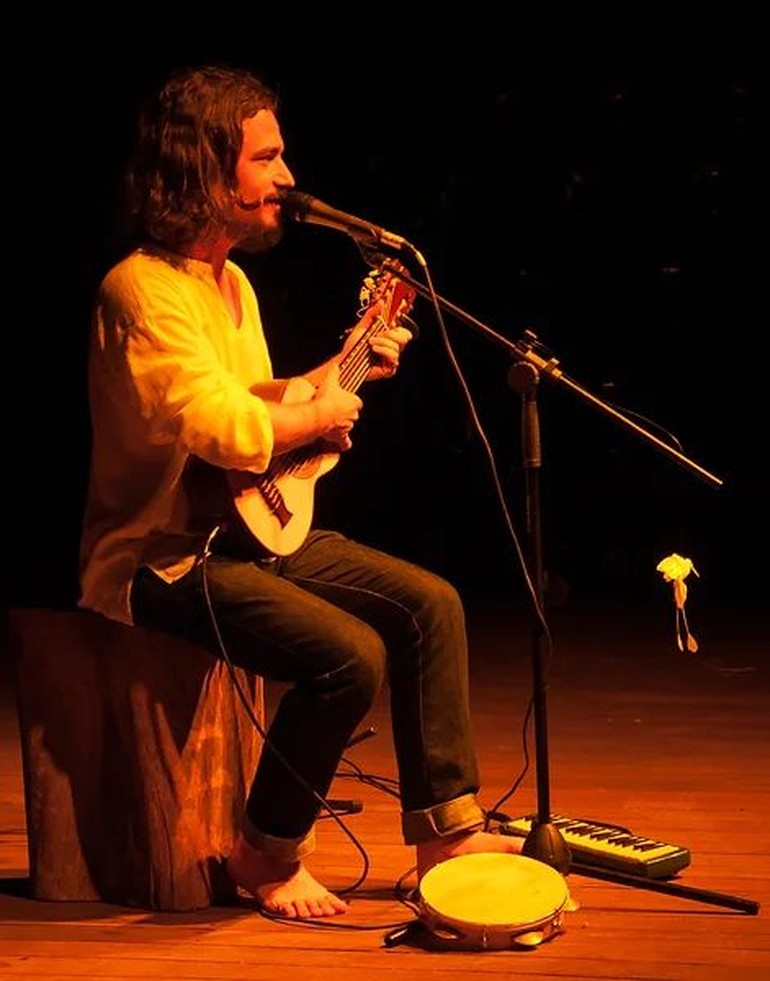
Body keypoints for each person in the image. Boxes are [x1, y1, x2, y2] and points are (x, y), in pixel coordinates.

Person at [77, 63, 521, 920]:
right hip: (164, 555)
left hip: (248, 532)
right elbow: (217, 428)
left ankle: (444, 831)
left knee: (432, 604)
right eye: (267, 158)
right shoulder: (138, 290)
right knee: (347, 655)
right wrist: (318, 409)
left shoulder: (229, 283)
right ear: (207, 168)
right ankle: (265, 851)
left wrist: (346, 362)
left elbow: (256, 402)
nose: (288, 178)